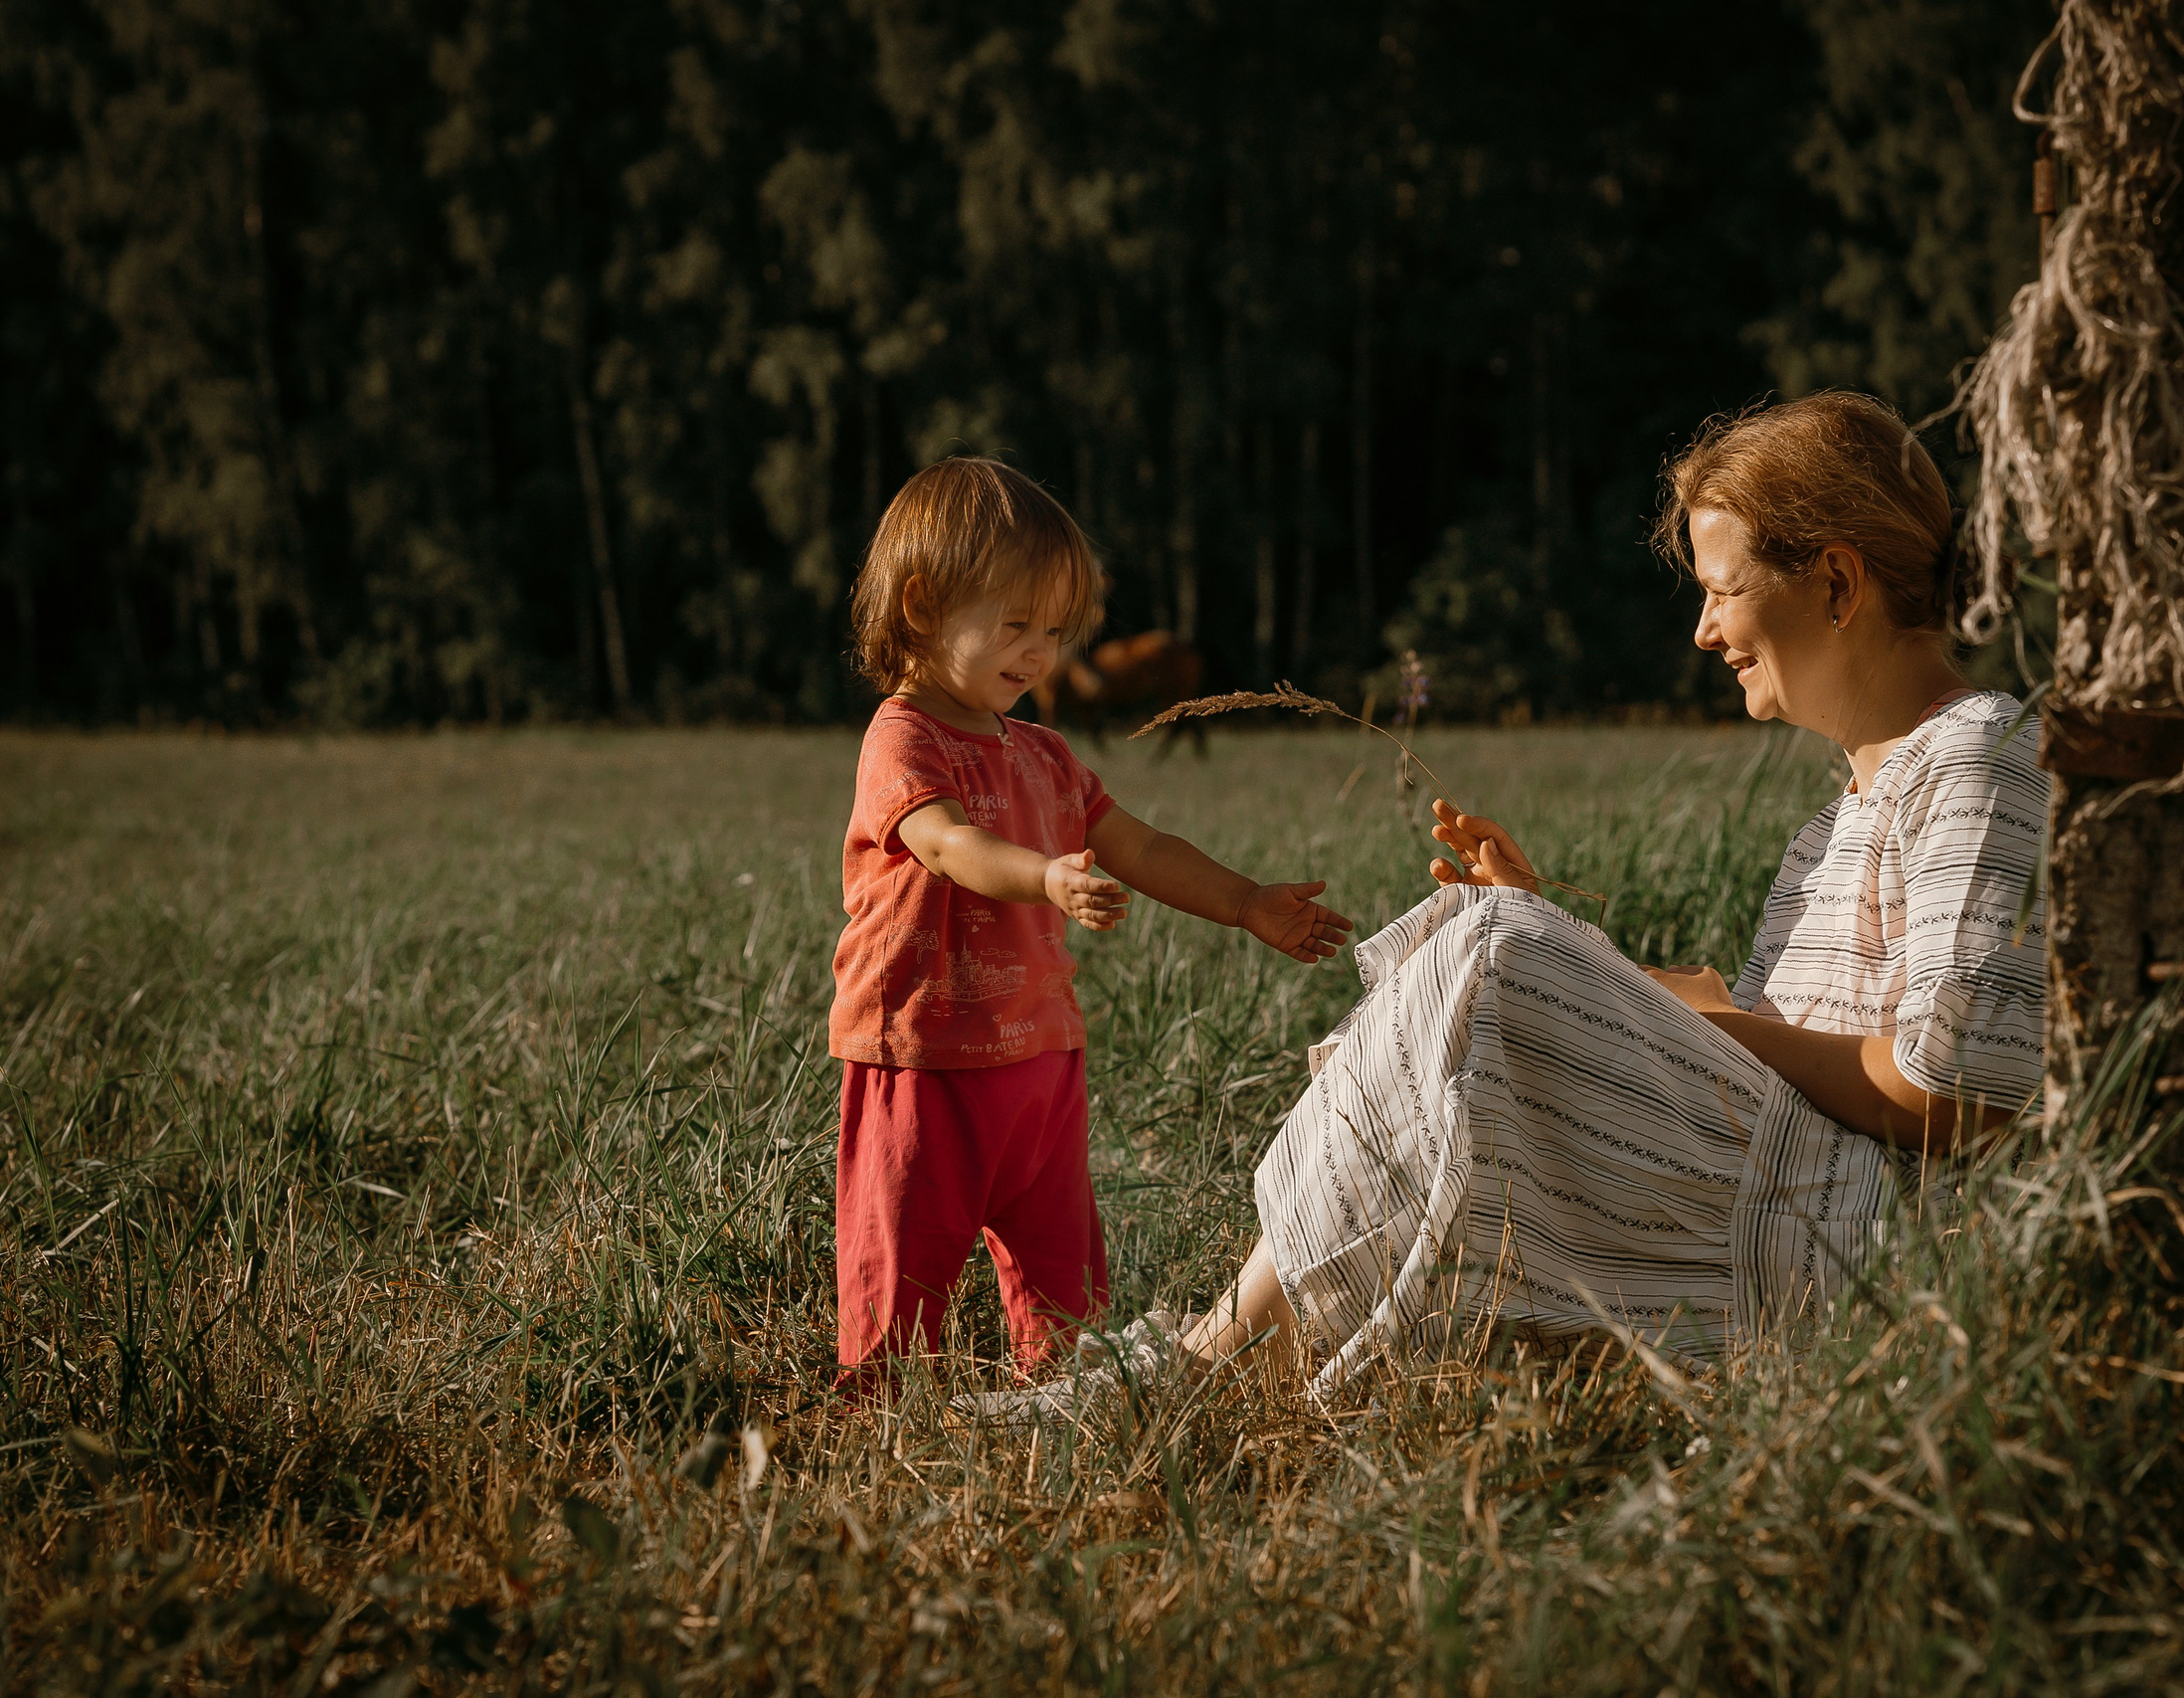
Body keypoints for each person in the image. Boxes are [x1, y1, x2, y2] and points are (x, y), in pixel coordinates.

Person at [988, 392, 2049, 1412]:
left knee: (1493, 955)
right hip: (1790, 1190)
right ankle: (1221, 1351)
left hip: (1860, 1246)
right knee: (1480, 940)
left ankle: (1205, 1367)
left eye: (1722, 589)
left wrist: (1584, 980)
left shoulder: (1977, 762)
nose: (1703, 630)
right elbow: (1759, 1054)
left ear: (1835, 584)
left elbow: (1948, 1097)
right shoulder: (1841, 818)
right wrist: (1577, 960)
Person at [828, 457, 1353, 1388]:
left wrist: (1243, 902)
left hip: (1040, 1061)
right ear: (921, 606)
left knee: (1065, 1297)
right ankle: (879, 1427)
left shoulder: (1046, 753)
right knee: (899, 1287)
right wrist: (1046, 877)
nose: (1040, 652)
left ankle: (1062, 1405)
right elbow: (946, 844)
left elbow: (1142, 847)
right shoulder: (902, 736)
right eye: (1016, 623)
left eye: (1055, 630)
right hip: (923, 1059)